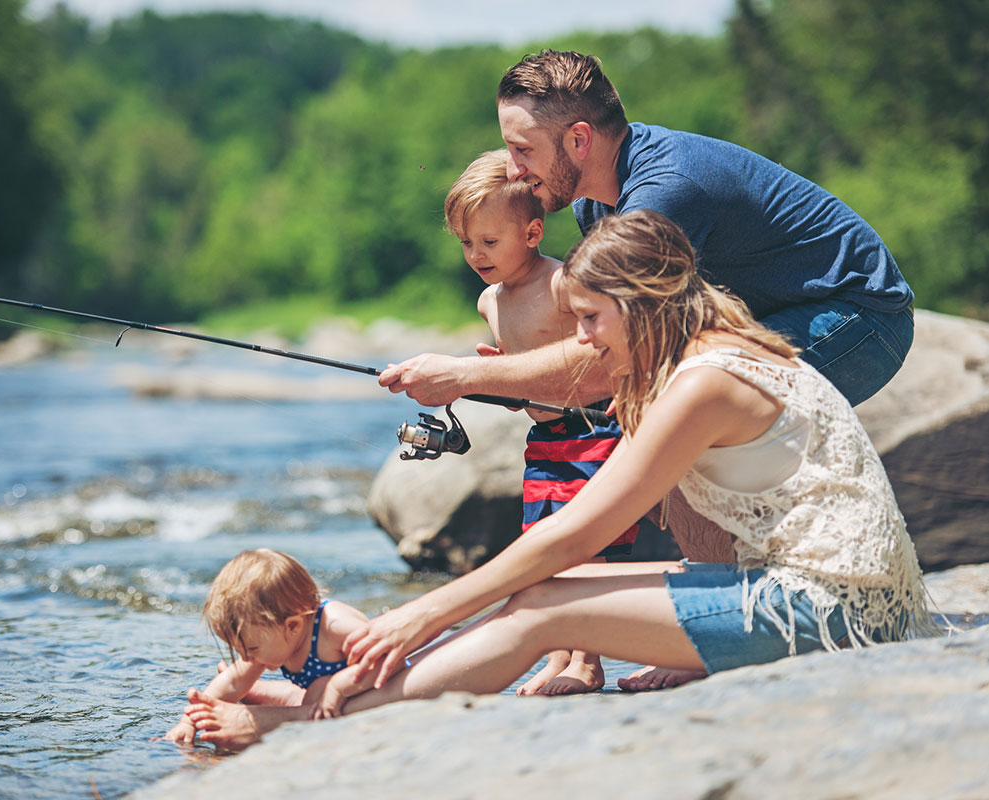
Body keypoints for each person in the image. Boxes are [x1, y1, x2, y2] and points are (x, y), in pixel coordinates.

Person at [182, 211, 937, 750]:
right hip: (830, 593)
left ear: (640, 304)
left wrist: (422, 616)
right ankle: (355, 694)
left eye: (589, 319)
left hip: (832, 614)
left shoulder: (702, 383)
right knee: (542, 592)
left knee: (542, 608)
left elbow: (576, 532)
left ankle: (305, 719)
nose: (580, 340)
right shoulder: (719, 349)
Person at [379, 50, 914, 412]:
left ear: (579, 140)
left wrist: (465, 377)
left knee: (688, 402)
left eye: (523, 149)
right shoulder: (595, 203)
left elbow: (614, 357)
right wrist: (519, 368)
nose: (515, 170)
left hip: (860, 317)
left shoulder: (662, 196)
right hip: (768, 317)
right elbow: (609, 339)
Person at [445, 148, 638, 695]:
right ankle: (557, 656)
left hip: (595, 431)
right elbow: (525, 379)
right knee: (544, 549)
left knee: (586, 547)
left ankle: (588, 661)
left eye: (489, 241)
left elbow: (604, 349)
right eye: (466, 242)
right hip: (545, 438)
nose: (476, 254)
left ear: (532, 233)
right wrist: (501, 380)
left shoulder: (563, 284)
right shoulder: (489, 301)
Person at [166, 548, 403, 746]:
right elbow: (233, 680)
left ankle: (267, 695)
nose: (245, 658)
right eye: (239, 651)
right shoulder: (273, 635)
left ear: (292, 626)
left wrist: (339, 687)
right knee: (307, 692)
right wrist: (189, 722)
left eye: (252, 649)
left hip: (381, 688)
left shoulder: (335, 626)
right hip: (319, 696)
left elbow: (394, 659)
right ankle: (257, 691)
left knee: (318, 690)